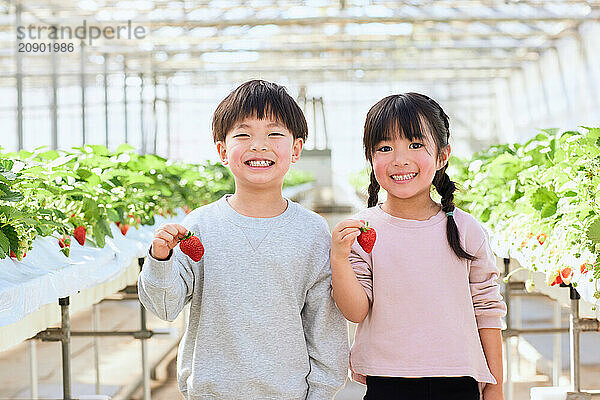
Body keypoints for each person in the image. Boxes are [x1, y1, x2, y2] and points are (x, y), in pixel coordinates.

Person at [138, 80, 348, 400]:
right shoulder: (200, 225)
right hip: (210, 392)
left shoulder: (312, 232)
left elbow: (325, 327)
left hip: (288, 394)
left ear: (296, 149)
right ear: (223, 150)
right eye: (243, 134)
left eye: (274, 134)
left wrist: (321, 392)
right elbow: (164, 307)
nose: (259, 145)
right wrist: (160, 259)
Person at [331, 93, 507, 400]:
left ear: (442, 155)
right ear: (371, 160)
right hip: (386, 381)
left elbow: (487, 311)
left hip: (458, 381)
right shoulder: (364, 230)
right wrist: (339, 260)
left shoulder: (465, 229)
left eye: (415, 145)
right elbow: (355, 311)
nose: (400, 160)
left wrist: (495, 387)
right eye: (385, 148)